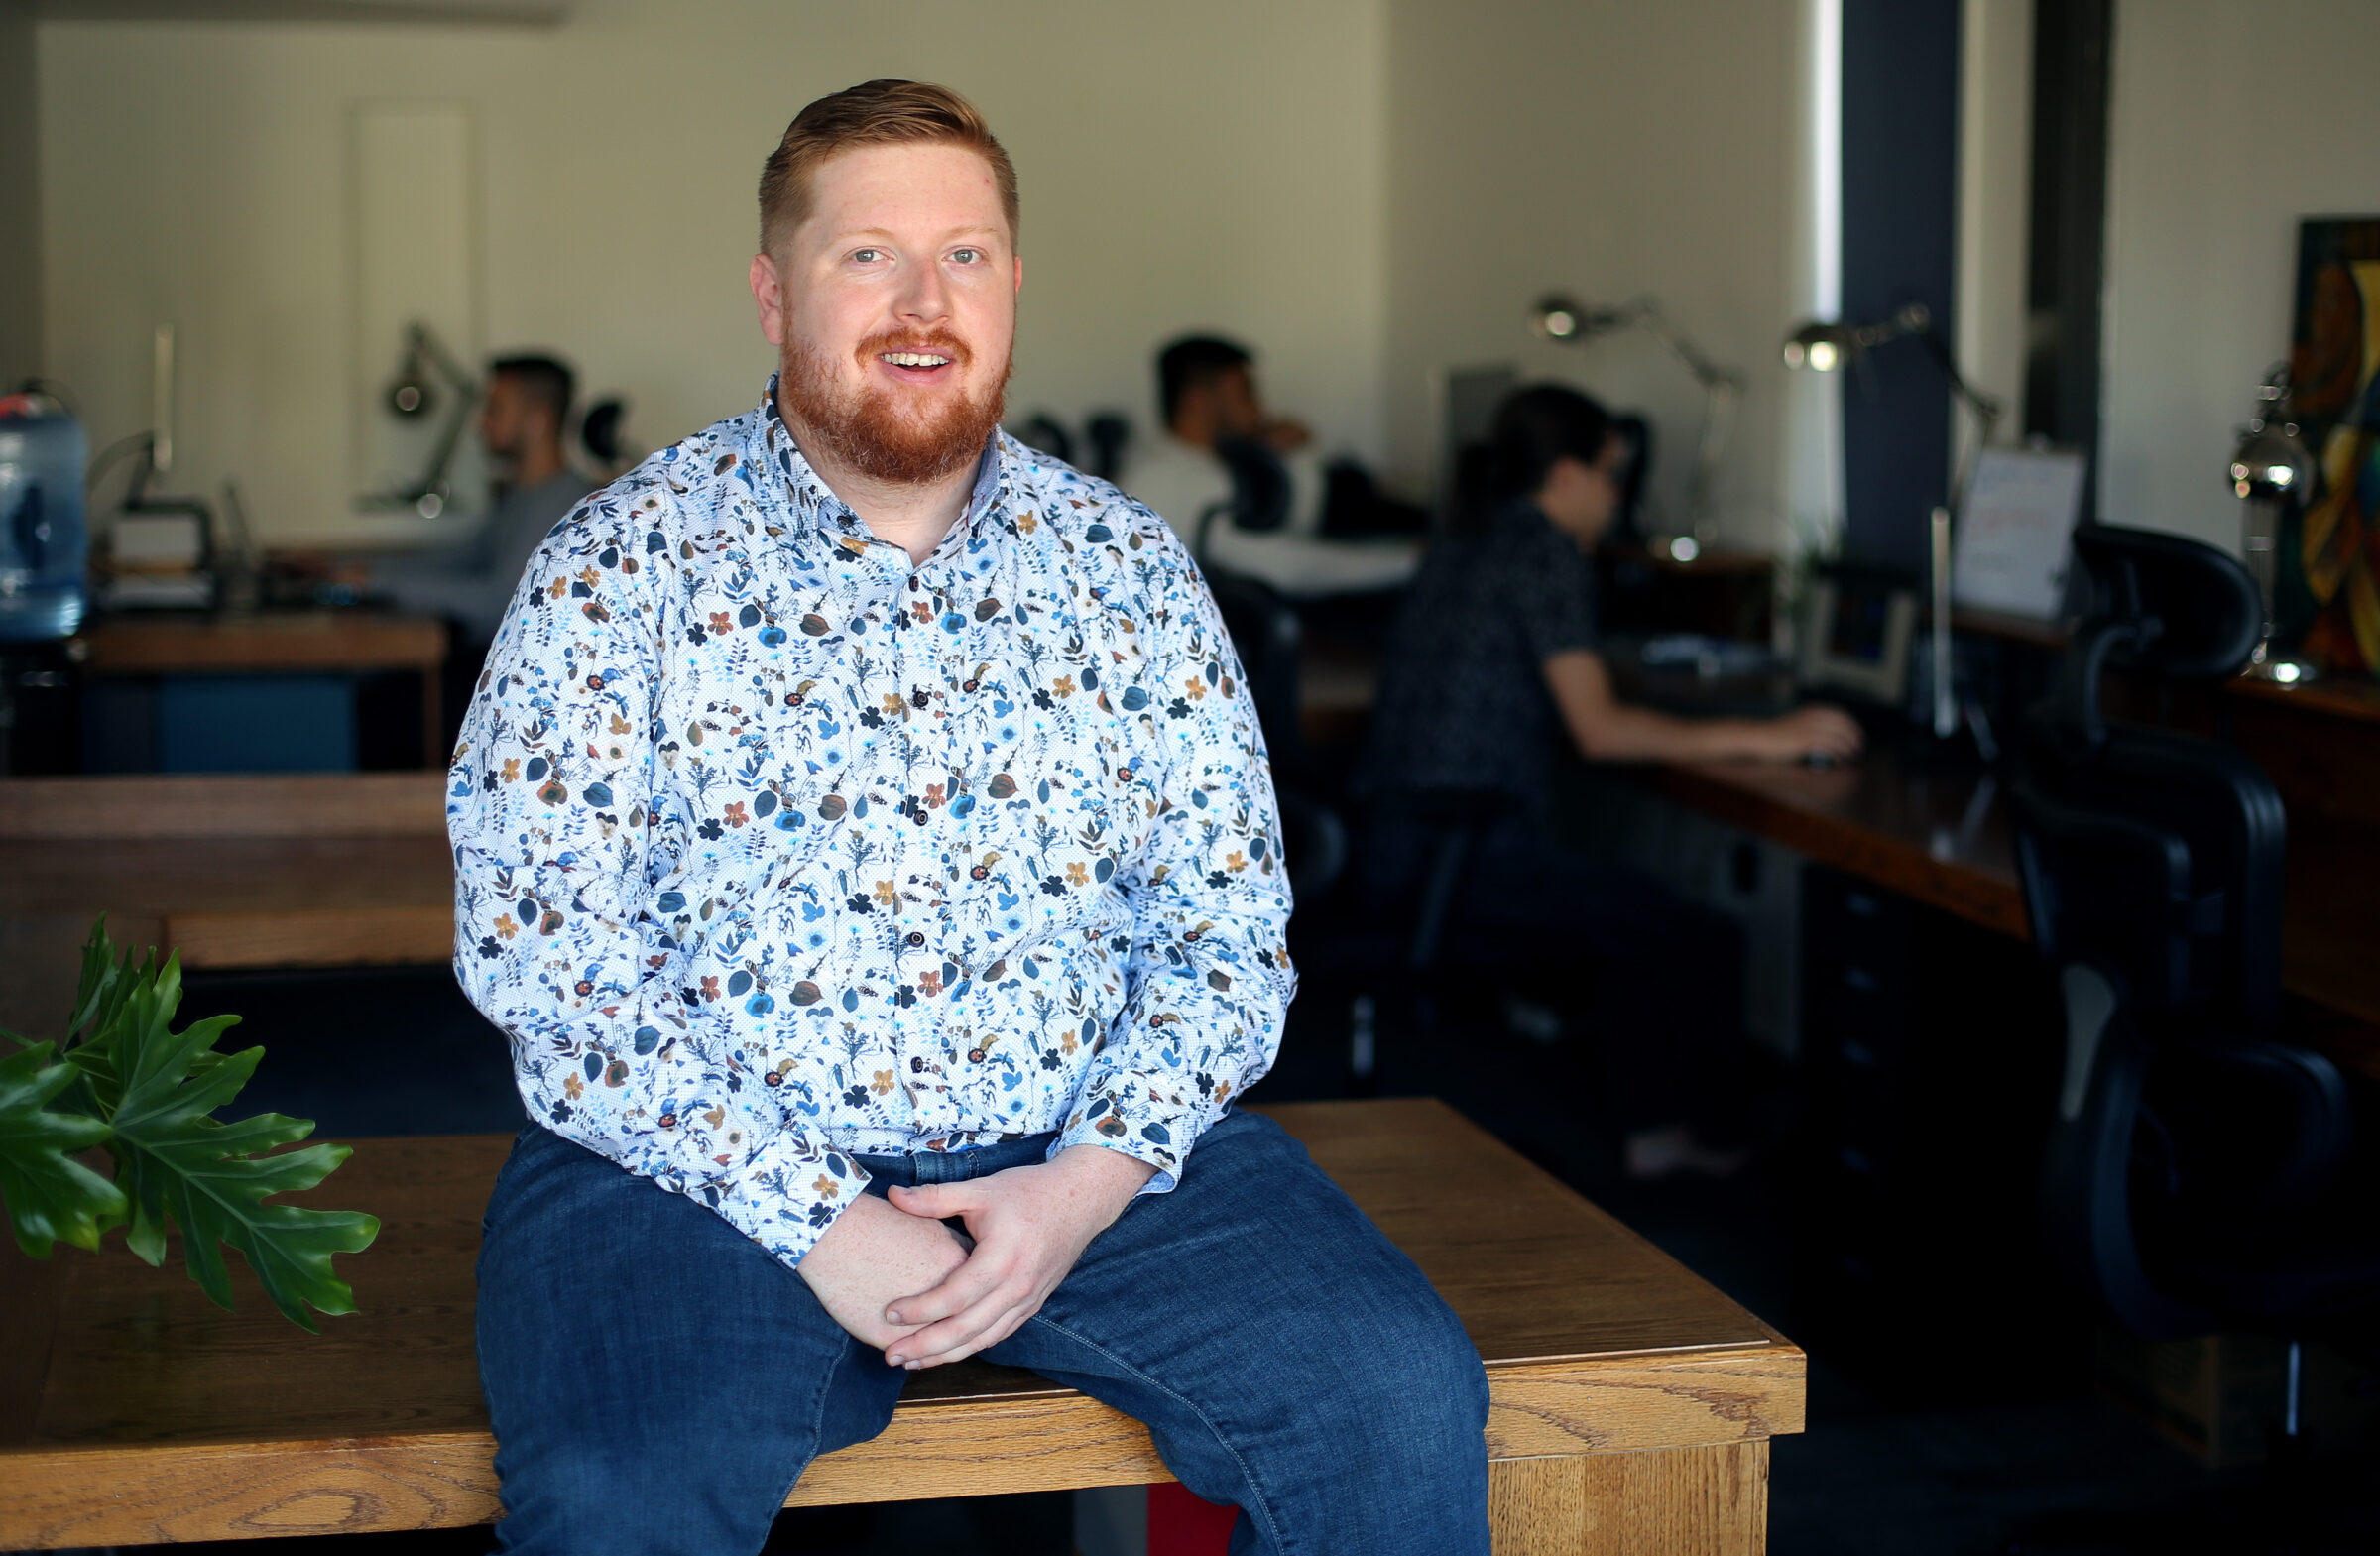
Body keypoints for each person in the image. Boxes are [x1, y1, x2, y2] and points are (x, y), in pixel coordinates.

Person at [447, 80, 1489, 1556]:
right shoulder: (616, 570)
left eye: (968, 255)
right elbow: (547, 955)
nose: (923, 301)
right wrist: (819, 1215)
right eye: (865, 254)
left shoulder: (1127, 570)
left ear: (1013, 285)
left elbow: (1229, 933)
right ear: (771, 291)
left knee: (1399, 1399)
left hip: (1095, 1151)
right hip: (691, 1170)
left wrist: (1081, 1187)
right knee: (621, 1491)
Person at [1361, 383, 1862, 1179]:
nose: (1616, 495)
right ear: (1567, 476)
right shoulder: (1546, 551)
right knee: (1693, 934)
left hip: (1399, 844)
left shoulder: (1465, 539)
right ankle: (1677, 1138)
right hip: (1477, 858)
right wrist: (1768, 737)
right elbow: (1599, 728)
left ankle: (1649, 1124)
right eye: (1610, 474)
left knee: (1642, 914)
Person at [1125, 334, 1419, 596]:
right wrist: (1412, 561)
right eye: (1246, 393)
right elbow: (1287, 569)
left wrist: (1297, 457)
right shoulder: (1180, 479)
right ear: (1198, 401)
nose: (1261, 408)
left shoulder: (1164, 460)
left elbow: (1296, 535)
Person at [371, 354, 591, 644]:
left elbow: (500, 600)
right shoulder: (522, 498)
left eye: (494, 409)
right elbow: (465, 557)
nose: (481, 424)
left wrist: (381, 584)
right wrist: (367, 573)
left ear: (538, 419)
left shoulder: (563, 506)